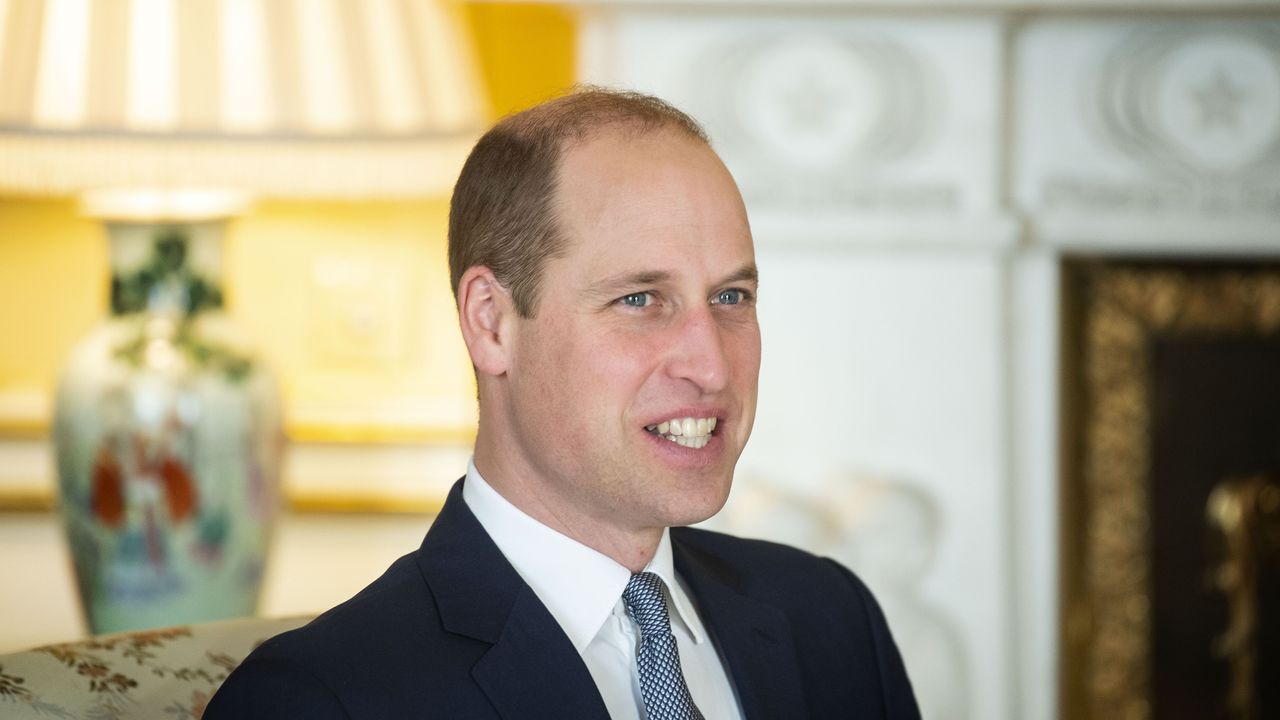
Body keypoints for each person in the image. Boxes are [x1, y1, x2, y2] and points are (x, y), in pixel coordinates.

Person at [206, 88, 920, 720]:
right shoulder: (321, 699)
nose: (711, 366)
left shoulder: (827, 617)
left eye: (731, 297)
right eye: (639, 300)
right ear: (491, 323)